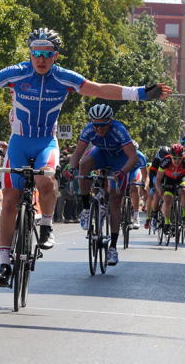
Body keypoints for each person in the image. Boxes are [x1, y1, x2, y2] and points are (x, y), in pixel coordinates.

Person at [0, 27, 171, 285]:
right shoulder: (18, 72)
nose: (41, 59)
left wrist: (139, 93)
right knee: (9, 201)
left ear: (56, 55)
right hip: (19, 142)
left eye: (47, 54)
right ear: (30, 53)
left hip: (46, 141)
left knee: (46, 182)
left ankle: (46, 225)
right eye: (36, 53)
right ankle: (4, 265)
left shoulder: (63, 78)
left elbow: (100, 89)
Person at [67, 104, 140, 266]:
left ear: (110, 121)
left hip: (120, 160)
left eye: (102, 124)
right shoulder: (89, 129)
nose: (98, 128)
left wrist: (122, 172)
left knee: (115, 201)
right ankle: (86, 209)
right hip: (101, 154)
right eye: (95, 124)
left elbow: (133, 157)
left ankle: (113, 248)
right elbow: (78, 152)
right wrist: (72, 168)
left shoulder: (119, 130)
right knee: (84, 163)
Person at [154, 143, 185, 237]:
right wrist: (159, 190)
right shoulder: (165, 161)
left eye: (179, 158)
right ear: (170, 156)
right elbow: (158, 179)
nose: (177, 160)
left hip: (182, 178)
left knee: (184, 190)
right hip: (169, 180)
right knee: (166, 202)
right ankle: (167, 223)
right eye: (174, 158)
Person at [144, 145, 170, 231]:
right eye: (160, 160)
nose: (162, 162)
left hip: (168, 178)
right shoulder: (156, 161)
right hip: (157, 179)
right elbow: (151, 176)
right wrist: (152, 187)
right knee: (155, 195)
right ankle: (153, 217)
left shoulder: (171, 160)